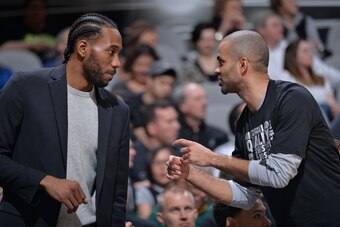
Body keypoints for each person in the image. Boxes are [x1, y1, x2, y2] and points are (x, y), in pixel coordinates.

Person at [166, 30, 340, 226]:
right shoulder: (244, 123)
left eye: (221, 62)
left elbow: (279, 173)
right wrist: (190, 174)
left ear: (242, 65)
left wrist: (213, 159)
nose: (216, 69)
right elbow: (244, 194)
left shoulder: (292, 99)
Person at [0, 13, 130, 226]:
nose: (117, 63)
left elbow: (116, 193)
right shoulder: (25, 87)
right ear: (82, 48)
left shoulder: (118, 110)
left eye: (119, 54)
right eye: (111, 52)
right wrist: (44, 181)